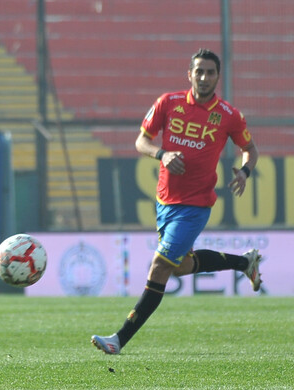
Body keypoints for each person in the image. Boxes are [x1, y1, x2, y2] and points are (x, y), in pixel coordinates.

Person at [91, 48, 262, 355]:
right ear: (190, 74)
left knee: (159, 266)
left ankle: (120, 338)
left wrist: (245, 171)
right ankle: (244, 262)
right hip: (165, 201)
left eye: (210, 72)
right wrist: (163, 154)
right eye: (199, 71)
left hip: (196, 205)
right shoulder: (168, 103)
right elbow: (141, 140)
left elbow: (250, 149)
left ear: (217, 77)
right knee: (180, 267)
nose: (204, 77)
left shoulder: (229, 116)